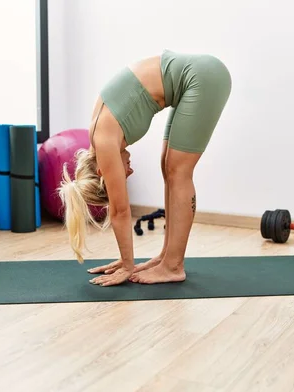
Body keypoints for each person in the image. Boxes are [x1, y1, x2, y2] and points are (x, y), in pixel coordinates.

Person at [58, 49, 232, 286]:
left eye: (122, 175)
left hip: (202, 77)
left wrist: (127, 264)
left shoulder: (105, 142)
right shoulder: (99, 132)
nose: (128, 173)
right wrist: (125, 260)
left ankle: (173, 266)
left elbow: (119, 211)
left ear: (102, 173)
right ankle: (165, 257)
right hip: (196, 78)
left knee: (178, 171)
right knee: (168, 166)